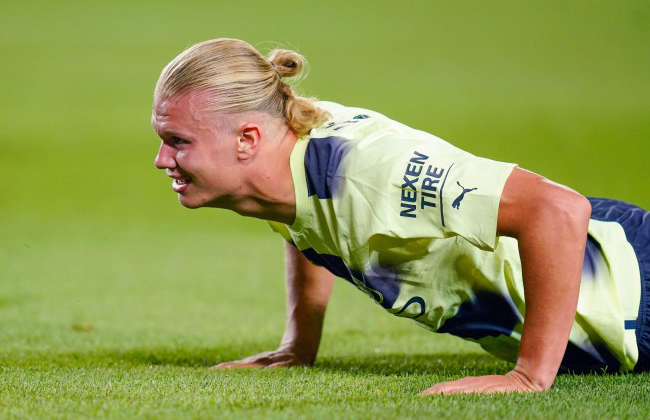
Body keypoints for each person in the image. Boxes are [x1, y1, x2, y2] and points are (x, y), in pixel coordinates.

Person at [151, 38, 649, 394]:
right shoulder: (278, 166)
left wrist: (528, 376)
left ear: (246, 139)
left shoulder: (374, 170)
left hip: (631, 283)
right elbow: (301, 216)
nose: (161, 159)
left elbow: (558, 210)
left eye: (178, 141)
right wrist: (298, 345)